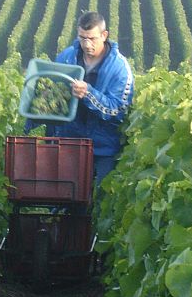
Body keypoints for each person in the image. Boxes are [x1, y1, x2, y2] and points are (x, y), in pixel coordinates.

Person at [51, 11, 134, 190]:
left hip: (103, 146)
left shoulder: (119, 68)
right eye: (82, 38)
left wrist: (89, 93)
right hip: (70, 141)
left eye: (92, 38)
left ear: (104, 35)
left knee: (101, 196)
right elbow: (53, 95)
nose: (87, 44)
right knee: (66, 194)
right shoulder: (67, 58)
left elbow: (118, 110)